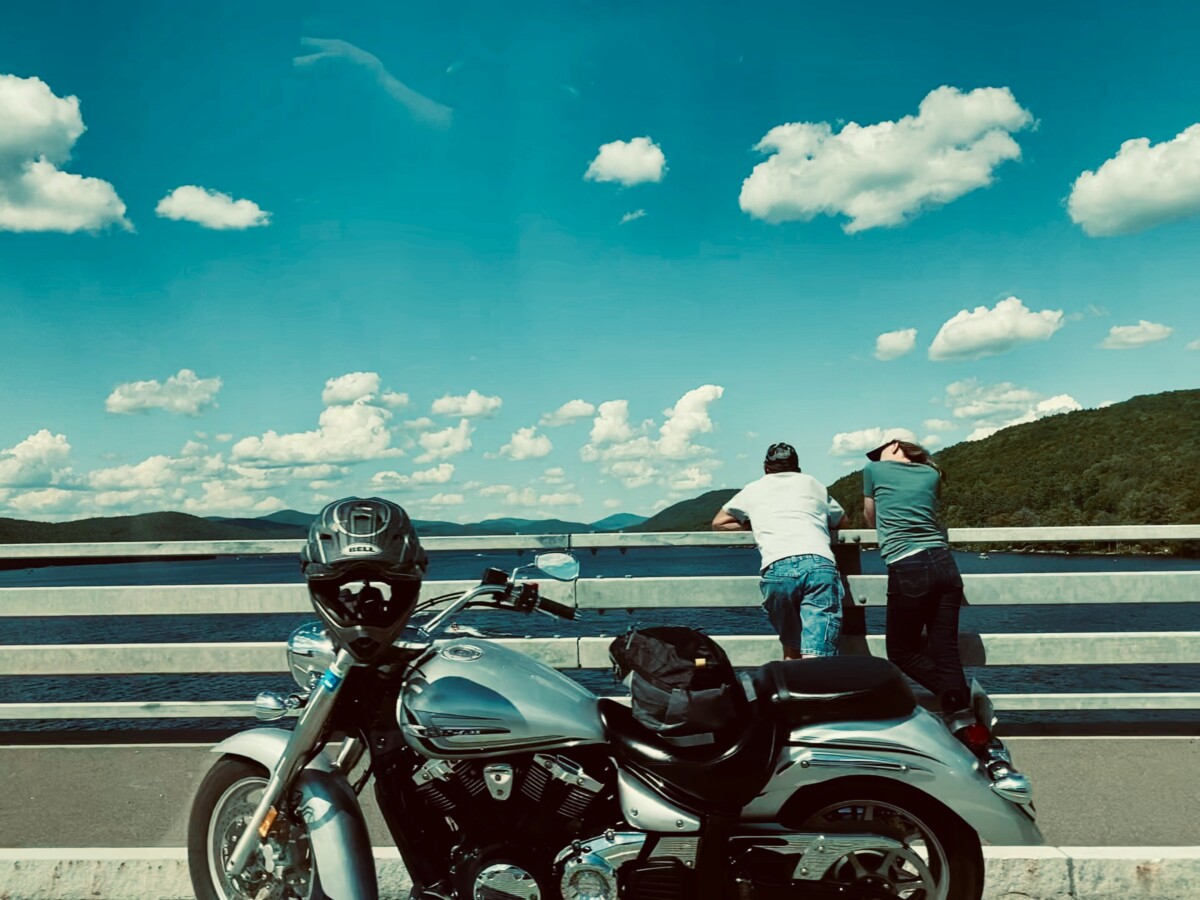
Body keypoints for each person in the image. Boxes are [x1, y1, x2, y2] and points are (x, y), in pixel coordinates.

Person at [863, 438, 1024, 783]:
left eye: (881, 450)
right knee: (946, 652)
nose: (877, 457)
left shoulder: (873, 469)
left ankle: (959, 705)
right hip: (945, 564)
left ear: (894, 446)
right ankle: (971, 731)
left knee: (901, 651)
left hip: (908, 565)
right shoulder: (931, 474)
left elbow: (870, 515)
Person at [712, 442, 846, 659]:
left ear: (766, 468)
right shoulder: (813, 484)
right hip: (819, 565)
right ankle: (818, 688)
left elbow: (719, 523)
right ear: (797, 468)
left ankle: (793, 688)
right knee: (817, 655)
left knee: (791, 648)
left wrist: (757, 522)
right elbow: (843, 521)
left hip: (777, 567)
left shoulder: (752, 489)